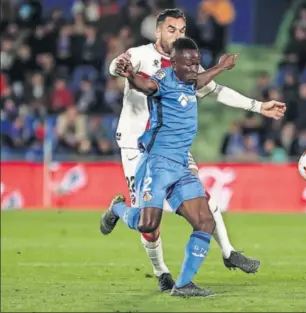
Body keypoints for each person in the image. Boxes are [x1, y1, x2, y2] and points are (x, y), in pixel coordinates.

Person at [106, 8, 286, 290]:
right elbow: (119, 66)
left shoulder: (186, 64)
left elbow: (216, 89)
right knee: (148, 224)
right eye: (171, 30)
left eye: (181, 30)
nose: (176, 34)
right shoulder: (141, 55)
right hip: (135, 145)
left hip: (173, 146)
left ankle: (228, 252)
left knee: (204, 201)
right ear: (158, 31)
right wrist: (120, 67)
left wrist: (259, 106)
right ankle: (161, 271)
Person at [101, 37, 244, 297]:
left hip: (181, 163)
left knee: (204, 221)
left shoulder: (190, 81)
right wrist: (130, 74)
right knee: (148, 225)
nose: (193, 68)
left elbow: (201, 80)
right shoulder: (162, 79)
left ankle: (184, 284)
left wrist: (220, 67)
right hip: (157, 164)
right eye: (188, 63)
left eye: (197, 63)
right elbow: (146, 86)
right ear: (174, 62)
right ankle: (118, 208)